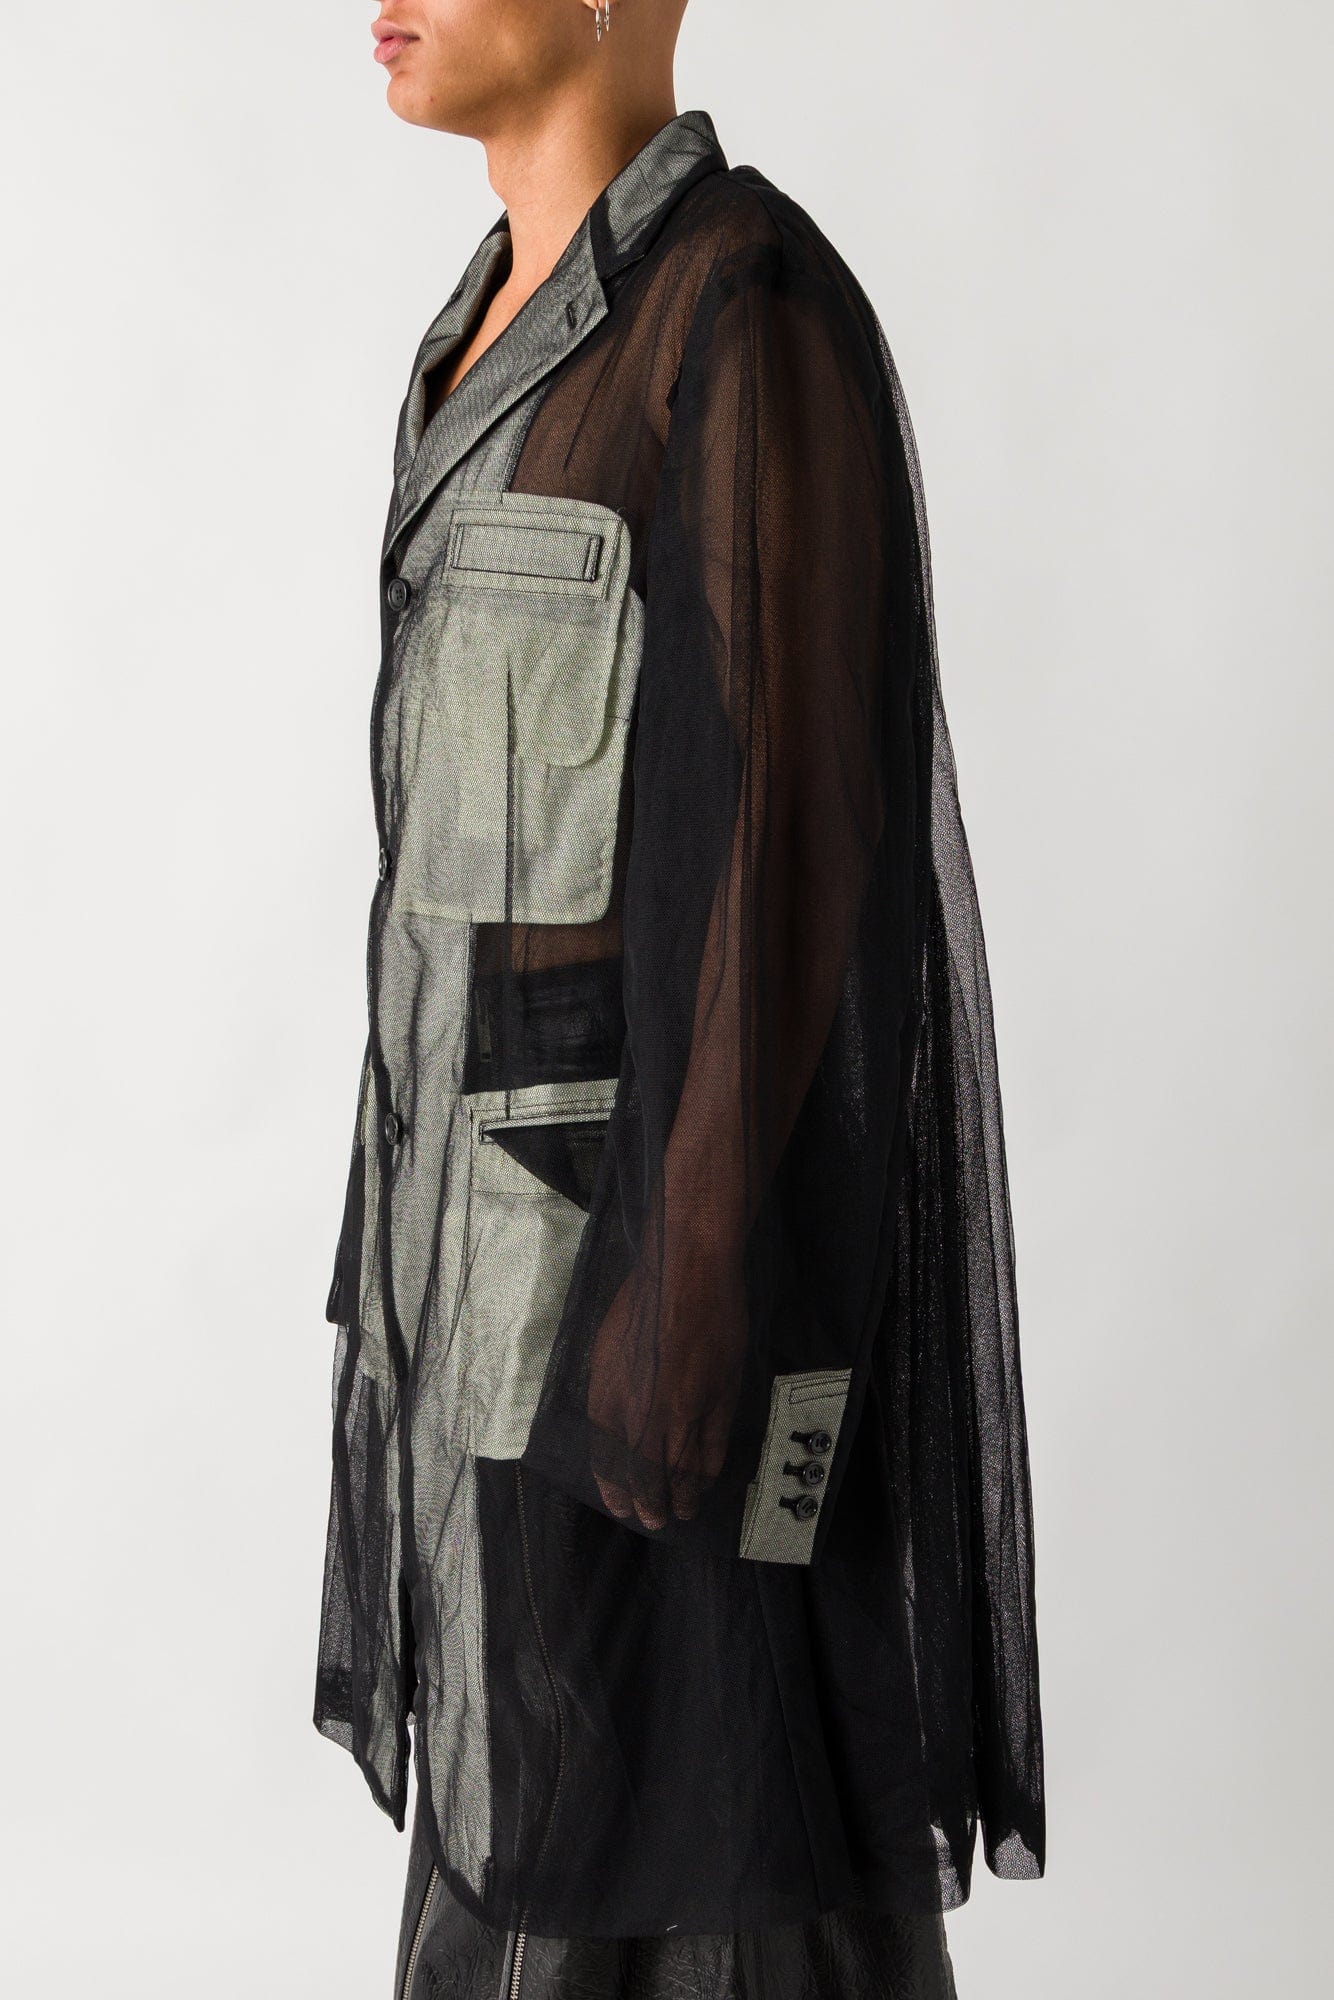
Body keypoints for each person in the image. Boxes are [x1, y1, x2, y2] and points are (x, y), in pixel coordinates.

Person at [313, 5, 1046, 1995]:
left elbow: (794, 849)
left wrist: (687, 1312)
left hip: (648, 1317)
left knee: (721, 1866)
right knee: (545, 1852)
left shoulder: (741, 309)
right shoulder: (484, 336)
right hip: (476, 1299)